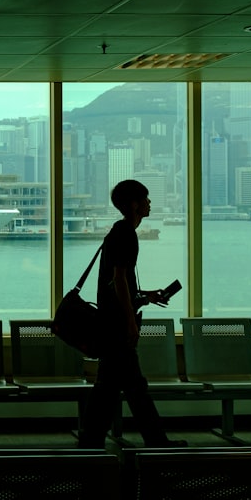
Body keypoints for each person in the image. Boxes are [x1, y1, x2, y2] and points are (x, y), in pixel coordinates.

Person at [77, 179, 185, 448]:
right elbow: (119, 280)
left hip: (110, 321)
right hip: (117, 326)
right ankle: (155, 442)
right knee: (130, 389)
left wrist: (145, 296)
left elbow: (119, 284)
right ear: (135, 204)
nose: (150, 203)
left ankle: (91, 443)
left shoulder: (118, 231)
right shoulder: (126, 234)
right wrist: (130, 322)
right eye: (146, 199)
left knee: (113, 389)